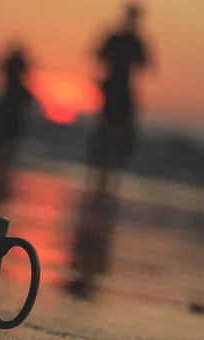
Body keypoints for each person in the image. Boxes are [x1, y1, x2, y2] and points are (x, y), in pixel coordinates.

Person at [66, 3, 152, 298]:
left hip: (116, 92)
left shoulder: (122, 38)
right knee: (108, 142)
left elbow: (139, 64)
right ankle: (102, 187)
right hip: (117, 92)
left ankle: (103, 187)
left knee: (110, 142)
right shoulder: (125, 39)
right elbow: (141, 64)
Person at [0, 41, 35, 214]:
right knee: (3, 146)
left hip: (8, 112)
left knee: (2, 146)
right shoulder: (16, 82)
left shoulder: (15, 83)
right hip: (10, 113)